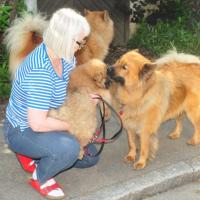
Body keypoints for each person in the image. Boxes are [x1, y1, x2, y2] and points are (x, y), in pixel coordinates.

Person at [3, 8, 99, 199]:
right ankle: (41, 177)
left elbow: (67, 92)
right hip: (22, 129)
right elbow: (37, 124)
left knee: (89, 157)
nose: (81, 46)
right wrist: (76, 127)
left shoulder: (66, 57)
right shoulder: (41, 71)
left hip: (49, 117)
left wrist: (87, 100)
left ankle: (35, 155)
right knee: (71, 148)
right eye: (79, 42)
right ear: (64, 38)